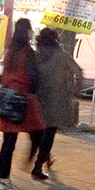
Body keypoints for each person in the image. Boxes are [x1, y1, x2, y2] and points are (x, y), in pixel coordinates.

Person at [0, 18, 46, 190]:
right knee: (39, 131)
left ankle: (3, 179)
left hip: (8, 98)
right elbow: (34, 77)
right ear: (27, 32)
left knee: (8, 142)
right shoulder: (28, 52)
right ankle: (30, 161)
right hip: (22, 99)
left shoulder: (10, 51)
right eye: (31, 30)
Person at [32, 27, 83, 177]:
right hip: (56, 101)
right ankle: (38, 167)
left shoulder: (36, 56)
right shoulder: (62, 56)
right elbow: (79, 72)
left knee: (39, 133)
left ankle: (44, 158)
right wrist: (76, 90)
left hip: (37, 100)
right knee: (49, 134)